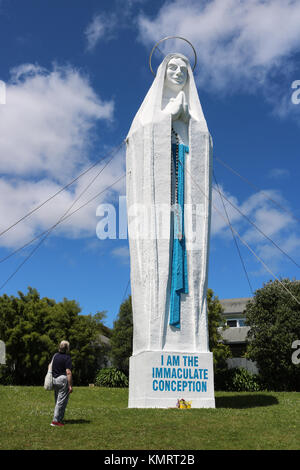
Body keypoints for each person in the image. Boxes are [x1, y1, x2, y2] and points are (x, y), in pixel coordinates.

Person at [50, 340, 73, 427]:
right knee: (61, 401)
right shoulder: (67, 358)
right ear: (67, 348)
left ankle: (59, 419)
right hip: (63, 380)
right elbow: (68, 372)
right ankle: (55, 421)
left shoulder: (55, 356)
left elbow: (50, 366)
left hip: (54, 379)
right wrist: (70, 385)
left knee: (57, 400)